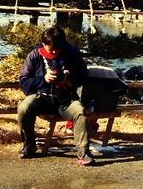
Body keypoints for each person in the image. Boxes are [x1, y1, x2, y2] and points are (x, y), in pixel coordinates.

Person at [17, 24, 94, 166]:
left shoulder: (72, 54)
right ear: (43, 43)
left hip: (65, 99)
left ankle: (83, 152)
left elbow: (83, 76)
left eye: (56, 49)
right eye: (50, 48)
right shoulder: (34, 55)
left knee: (80, 112)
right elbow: (24, 81)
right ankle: (29, 145)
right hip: (42, 97)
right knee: (24, 108)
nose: (52, 52)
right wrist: (43, 79)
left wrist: (69, 78)